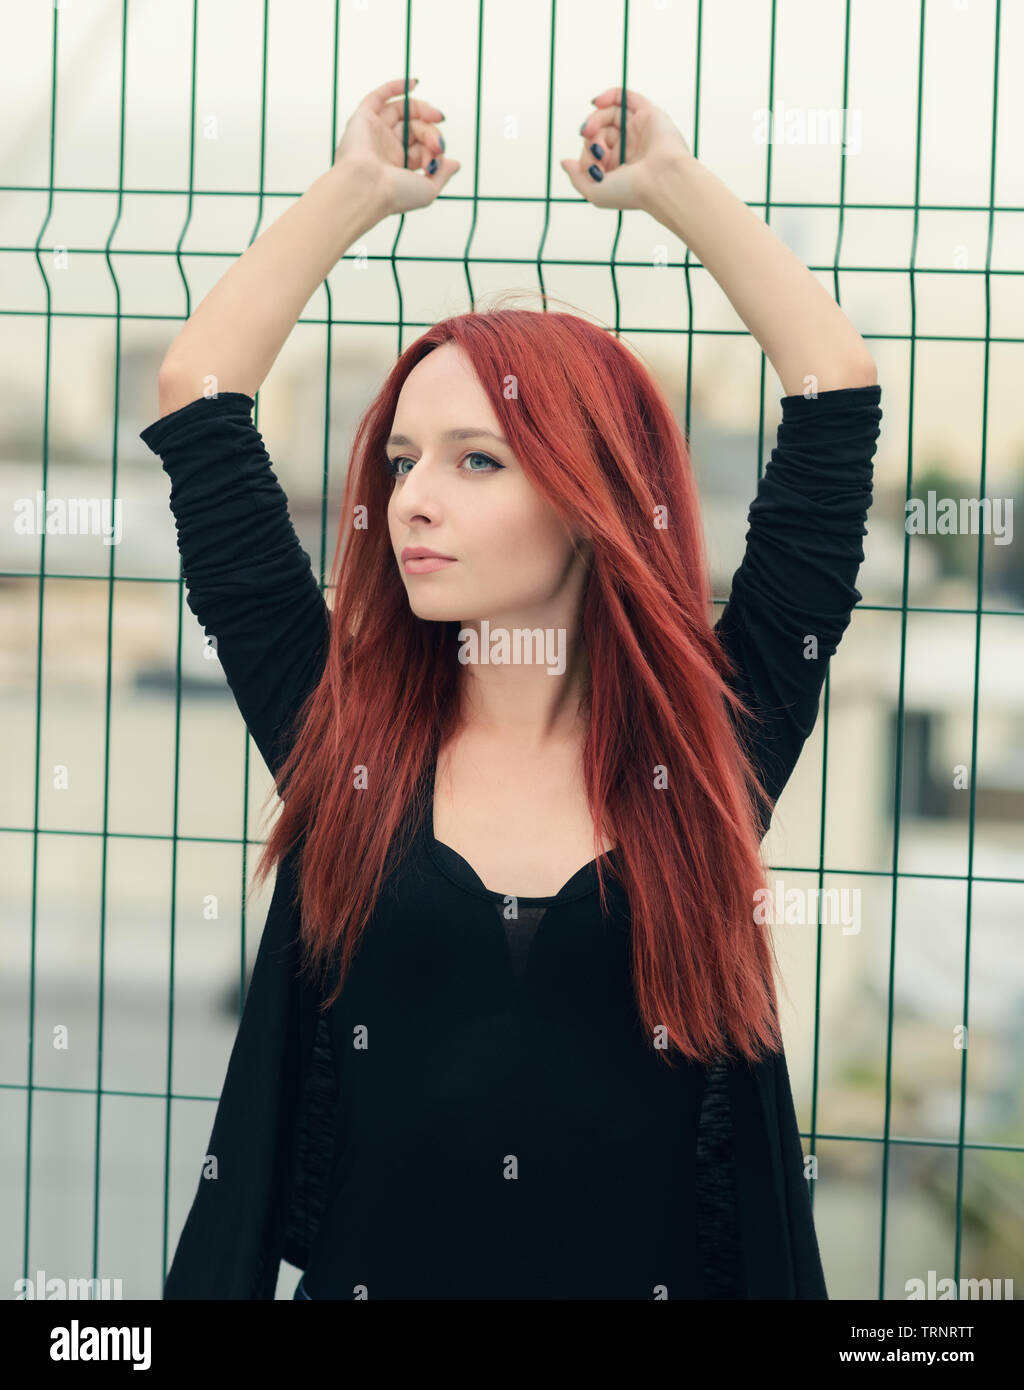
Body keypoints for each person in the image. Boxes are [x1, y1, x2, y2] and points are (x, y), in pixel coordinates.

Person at [141, 78, 882, 1300]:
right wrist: (352, 195)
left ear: (593, 503)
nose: (410, 499)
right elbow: (201, 393)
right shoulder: (343, 736)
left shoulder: (708, 745)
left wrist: (674, 188)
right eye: (399, 460)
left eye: (474, 460)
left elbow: (834, 391)